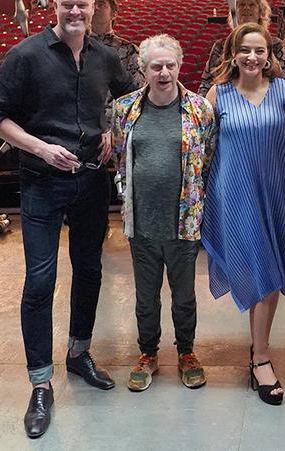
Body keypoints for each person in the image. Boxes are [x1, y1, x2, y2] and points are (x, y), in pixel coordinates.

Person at [0, 0, 137, 439]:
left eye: (82, 5)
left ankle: (79, 353)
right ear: (54, 6)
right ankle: (40, 382)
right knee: (40, 280)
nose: (75, 12)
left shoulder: (105, 56)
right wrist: (41, 148)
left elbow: (130, 102)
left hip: (90, 180)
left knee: (89, 271)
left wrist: (112, 128)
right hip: (42, 182)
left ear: (93, 9)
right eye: (67, 4)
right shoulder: (26, 54)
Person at [110, 34, 215, 392]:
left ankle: (186, 352)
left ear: (179, 66)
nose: (165, 72)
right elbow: (119, 158)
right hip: (141, 222)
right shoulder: (125, 109)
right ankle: (148, 354)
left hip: (184, 220)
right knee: (146, 296)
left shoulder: (199, 109)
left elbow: (209, 157)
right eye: (156, 66)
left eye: (170, 65)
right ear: (143, 70)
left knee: (184, 295)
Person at [203, 22, 285, 406]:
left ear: (270, 55)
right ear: (233, 54)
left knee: (272, 272)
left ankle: (259, 349)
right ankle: (261, 358)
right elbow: (197, 145)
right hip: (235, 194)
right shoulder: (216, 94)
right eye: (245, 50)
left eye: (260, 51)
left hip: (278, 192)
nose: (253, 57)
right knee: (259, 268)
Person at [198, 0, 285, 94]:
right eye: (241, 5)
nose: (246, 8)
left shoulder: (275, 44)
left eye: (252, 5)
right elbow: (207, 82)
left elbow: (281, 79)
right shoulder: (220, 46)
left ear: (260, 13)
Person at [91, 0, 145, 87]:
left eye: (101, 4)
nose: (95, 8)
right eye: (92, 5)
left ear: (114, 15)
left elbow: (138, 87)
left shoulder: (129, 49)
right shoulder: (77, 46)